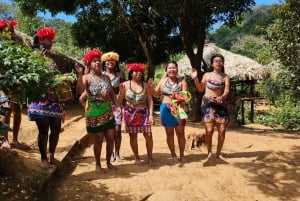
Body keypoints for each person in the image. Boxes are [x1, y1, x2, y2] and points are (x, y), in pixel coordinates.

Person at [77, 48, 120, 173]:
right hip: (94, 112)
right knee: (99, 140)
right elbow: (80, 91)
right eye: (94, 61)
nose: (97, 63)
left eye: (98, 61)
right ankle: (97, 164)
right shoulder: (86, 77)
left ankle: (107, 162)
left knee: (111, 137)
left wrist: (117, 106)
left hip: (107, 110)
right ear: (89, 64)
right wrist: (80, 74)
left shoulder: (106, 77)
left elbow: (112, 93)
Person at [27, 27, 63, 170]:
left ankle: (51, 155)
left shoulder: (52, 59)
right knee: (43, 129)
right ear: (40, 40)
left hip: (54, 100)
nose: (49, 42)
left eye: (50, 40)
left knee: (56, 128)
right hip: (40, 99)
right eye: (46, 39)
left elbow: (55, 78)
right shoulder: (32, 56)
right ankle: (43, 158)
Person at [191, 54, 230, 162]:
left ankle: (218, 153)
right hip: (208, 104)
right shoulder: (207, 75)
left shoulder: (225, 77)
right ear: (212, 64)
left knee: (222, 130)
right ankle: (209, 153)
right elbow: (200, 89)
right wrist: (195, 78)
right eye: (216, 61)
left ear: (223, 63)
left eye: (220, 61)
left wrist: (222, 96)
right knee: (209, 130)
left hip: (220, 104)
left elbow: (226, 90)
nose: (218, 62)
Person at [148, 61, 189, 163]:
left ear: (177, 69)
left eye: (174, 68)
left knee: (180, 133)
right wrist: (151, 86)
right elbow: (156, 94)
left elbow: (185, 96)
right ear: (166, 70)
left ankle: (182, 155)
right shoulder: (162, 81)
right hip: (165, 108)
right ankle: (173, 155)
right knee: (169, 133)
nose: (172, 70)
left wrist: (174, 96)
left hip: (179, 108)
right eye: (170, 68)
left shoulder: (182, 82)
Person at [118, 63, 154, 166]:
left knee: (148, 135)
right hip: (129, 114)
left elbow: (150, 100)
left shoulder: (145, 85)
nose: (138, 73)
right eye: (136, 71)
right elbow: (119, 100)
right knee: (133, 136)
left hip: (144, 113)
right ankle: (137, 157)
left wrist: (151, 114)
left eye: (140, 72)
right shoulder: (124, 84)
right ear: (131, 73)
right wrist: (121, 93)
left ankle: (150, 157)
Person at [0, 19, 22, 147]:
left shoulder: (17, 46)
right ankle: (5, 140)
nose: (11, 32)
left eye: (12, 30)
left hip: (16, 83)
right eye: (8, 30)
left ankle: (15, 139)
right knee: (6, 109)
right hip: (3, 84)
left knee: (17, 110)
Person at [101, 51, 125, 162]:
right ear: (104, 63)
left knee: (117, 130)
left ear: (116, 63)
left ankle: (117, 153)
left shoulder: (120, 75)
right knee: (108, 131)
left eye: (113, 61)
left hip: (117, 105)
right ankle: (110, 153)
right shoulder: (100, 75)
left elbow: (123, 90)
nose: (110, 62)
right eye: (108, 61)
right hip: (104, 106)